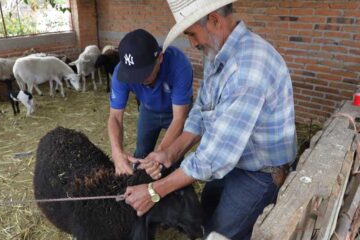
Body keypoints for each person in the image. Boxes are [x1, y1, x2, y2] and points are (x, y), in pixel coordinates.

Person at [124, 1, 297, 239]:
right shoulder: (217, 53)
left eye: (193, 34)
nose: (193, 43)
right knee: (206, 205)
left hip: (260, 172)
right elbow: (201, 112)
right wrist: (170, 153)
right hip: (237, 161)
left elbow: (213, 158)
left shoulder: (247, 69)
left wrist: (154, 191)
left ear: (215, 20)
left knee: (217, 234)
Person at [108, 29, 193, 175]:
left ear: (159, 58)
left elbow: (179, 118)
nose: (139, 80)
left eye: (144, 74)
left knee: (173, 157)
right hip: (148, 110)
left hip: (176, 113)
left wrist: (160, 153)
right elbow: (115, 116)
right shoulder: (120, 73)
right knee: (141, 154)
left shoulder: (179, 65)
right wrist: (116, 152)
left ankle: (178, 189)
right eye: (133, 75)